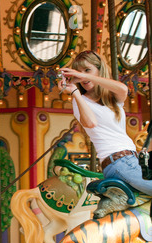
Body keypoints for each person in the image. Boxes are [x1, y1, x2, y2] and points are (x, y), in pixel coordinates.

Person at [58, 50, 152, 195]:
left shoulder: (111, 97)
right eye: (79, 72)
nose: (83, 76)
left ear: (99, 70)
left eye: (88, 70)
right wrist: (74, 91)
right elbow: (91, 123)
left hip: (133, 160)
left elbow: (123, 89)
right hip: (117, 163)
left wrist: (85, 76)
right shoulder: (80, 101)